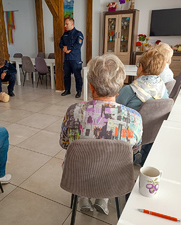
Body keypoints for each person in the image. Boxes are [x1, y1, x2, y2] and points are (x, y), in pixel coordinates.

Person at [60, 54, 143, 215]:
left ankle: (83, 197)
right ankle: (104, 198)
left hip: (79, 174)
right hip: (114, 177)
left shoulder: (73, 111)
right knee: (112, 162)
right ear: (120, 87)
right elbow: (135, 150)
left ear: (91, 87)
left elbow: (64, 144)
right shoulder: (135, 118)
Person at [116, 49, 169, 166]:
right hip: (154, 132)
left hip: (132, 135)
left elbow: (115, 111)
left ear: (140, 67)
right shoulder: (164, 89)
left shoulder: (129, 90)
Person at [59, 18, 84, 98]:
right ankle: (67, 90)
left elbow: (78, 45)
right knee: (66, 75)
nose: (65, 25)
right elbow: (60, 44)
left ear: (72, 24)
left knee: (77, 76)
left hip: (75, 59)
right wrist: (63, 48)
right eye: (65, 24)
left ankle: (79, 91)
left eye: (66, 24)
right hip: (67, 59)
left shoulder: (78, 33)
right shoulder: (65, 34)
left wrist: (68, 48)